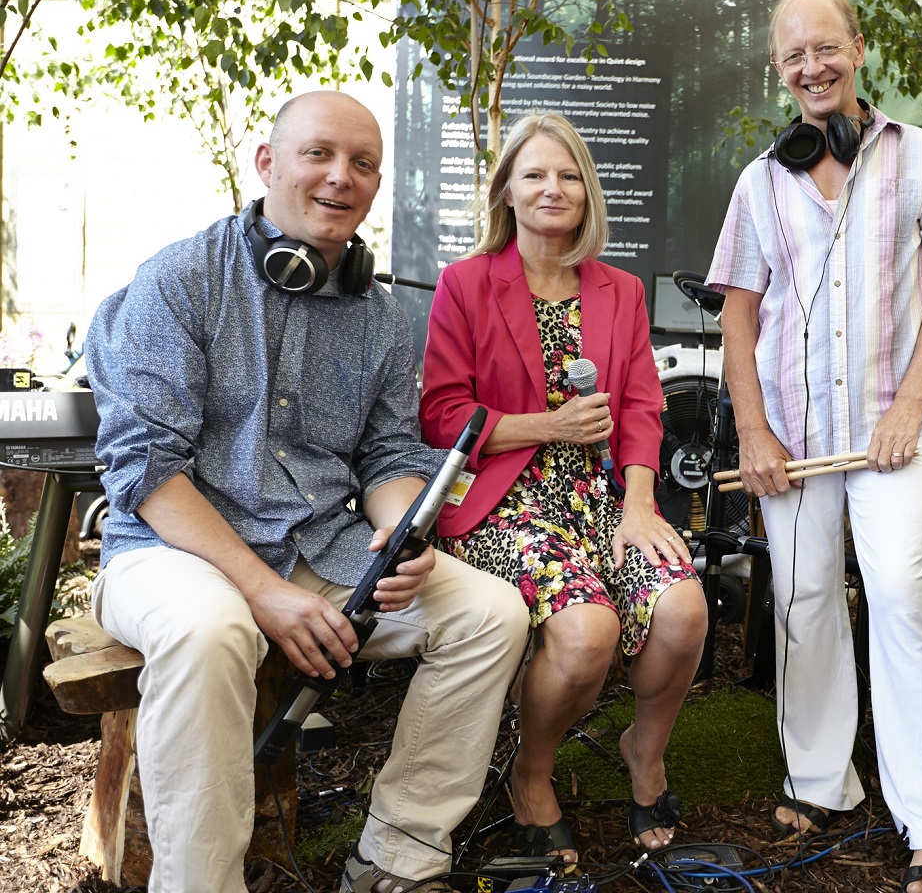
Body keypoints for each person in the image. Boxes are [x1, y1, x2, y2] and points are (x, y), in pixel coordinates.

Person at [84, 91, 530, 893]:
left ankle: (397, 859)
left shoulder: (383, 318)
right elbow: (145, 467)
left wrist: (399, 532)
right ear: (268, 163)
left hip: (320, 547)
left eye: (362, 163)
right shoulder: (180, 279)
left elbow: (390, 453)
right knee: (209, 630)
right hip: (172, 552)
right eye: (318, 153)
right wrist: (263, 593)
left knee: (490, 615)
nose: (340, 177)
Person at [705, 0, 922, 893]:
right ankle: (821, 779)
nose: (812, 67)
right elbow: (738, 317)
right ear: (777, 71)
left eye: (826, 48)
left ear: (858, 48)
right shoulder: (758, 181)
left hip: (890, 430)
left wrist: (910, 405)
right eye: (794, 56)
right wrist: (753, 430)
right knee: (805, 598)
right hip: (790, 435)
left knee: (899, 596)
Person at [420, 111, 707, 865]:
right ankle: (532, 771)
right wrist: (546, 426)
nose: (553, 187)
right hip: (503, 503)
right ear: (506, 191)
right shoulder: (465, 284)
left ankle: (644, 752)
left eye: (569, 175)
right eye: (535, 174)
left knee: (683, 611)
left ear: (588, 193)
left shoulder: (619, 291)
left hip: (604, 498)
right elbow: (442, 415)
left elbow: (641, 405)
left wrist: (639, 504)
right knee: (587, 634)